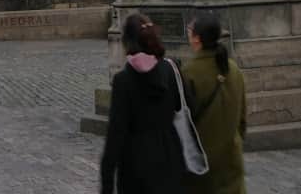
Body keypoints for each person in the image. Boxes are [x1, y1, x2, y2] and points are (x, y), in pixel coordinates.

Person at [100, 13, 185, 194]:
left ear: (126, 42)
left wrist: (107, 185)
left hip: (135, 166)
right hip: (170, 158)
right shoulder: (170, 70)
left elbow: (115, 135)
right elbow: (186, 107)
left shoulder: (123, 81)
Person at [181, 12, 247, 194]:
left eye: (190, 31)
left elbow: (183, 125)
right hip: (232, 162)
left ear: (197, 39)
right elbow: (242, 120)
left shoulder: (188, 73)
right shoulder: (234, 70)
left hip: (202, 169)